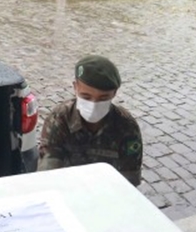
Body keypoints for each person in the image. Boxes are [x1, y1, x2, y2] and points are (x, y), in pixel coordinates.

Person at [39, 55, 143, 186]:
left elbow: (129, 180)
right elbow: (49, 170)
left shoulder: (126, 127)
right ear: (75, 87)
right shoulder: (60, 119)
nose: (94, 104)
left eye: (103, 98)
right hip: (66, 189)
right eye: (86, 97)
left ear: (115, 93)